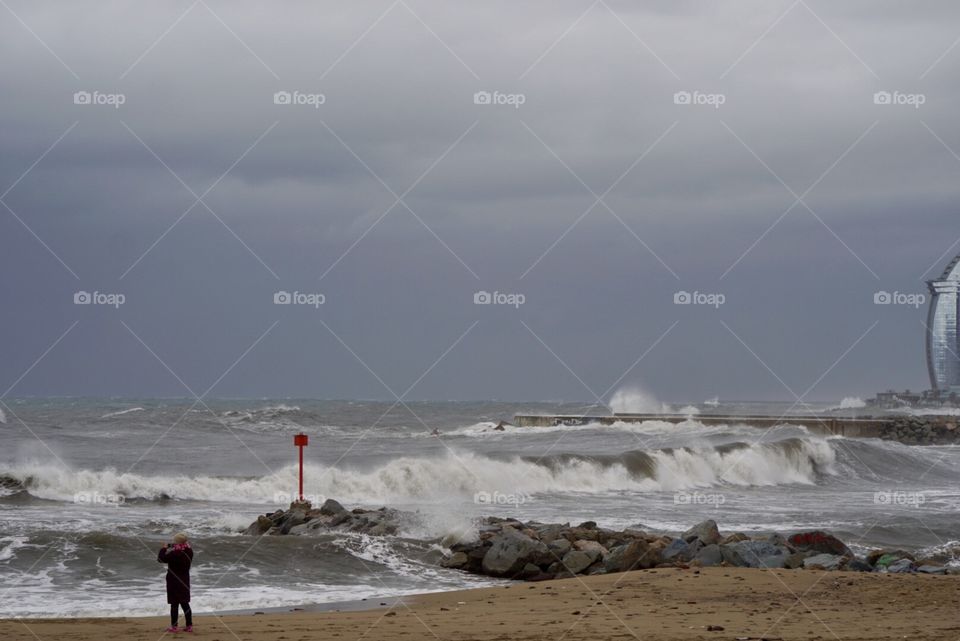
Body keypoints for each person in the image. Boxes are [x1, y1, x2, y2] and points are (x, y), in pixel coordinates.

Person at [158, 532, 194, 633]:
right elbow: (181, 546)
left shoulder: (174, 554)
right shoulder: (189, 551)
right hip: (185, 580)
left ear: (176, 542)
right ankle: (189, 625)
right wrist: (172, 545)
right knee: (185, 603)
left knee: (174, 604)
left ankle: (174, 627)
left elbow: (160, 559)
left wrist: (164, 548)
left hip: (173, 580)